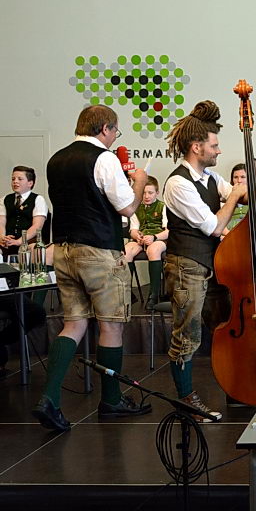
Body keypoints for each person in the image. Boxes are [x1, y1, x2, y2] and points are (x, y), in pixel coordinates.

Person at [31, 104, 149, 432]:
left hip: (64, 250)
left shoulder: (56, 159)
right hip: (98, 251)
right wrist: (139, 182)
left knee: (73, 323)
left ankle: (49, 398)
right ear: (105, 128)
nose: (114, 137)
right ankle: (111, 400)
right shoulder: (104, 158)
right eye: (115, 131)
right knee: (111, 326)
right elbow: (127, 208)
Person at [162, 100, 256, 421]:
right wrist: (237, 194)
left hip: (212, 266)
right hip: (186, 266)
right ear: (196, 147)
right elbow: (214, 226)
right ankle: (186, 400)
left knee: (223, 328)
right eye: (214, 146)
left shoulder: (211, 178)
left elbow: (239, 194)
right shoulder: (178, 183)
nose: (218, 150)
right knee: (187, 335)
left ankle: (235, 387)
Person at [124, 175, 168, 309]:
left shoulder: (162, 207)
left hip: (159, 238)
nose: (146, 196)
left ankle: (153, 295)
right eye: (143, 193)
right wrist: (137, 236)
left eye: (150, 193)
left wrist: (154, 237)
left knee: (153, 250)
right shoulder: (136, 207)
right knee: (126, 251)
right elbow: (133, 229)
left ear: (157, 193)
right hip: (142, 238)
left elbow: (168, 231)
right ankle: (127, 292)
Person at [0, 166, 49, 258]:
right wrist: (2, 238)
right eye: (13, 179)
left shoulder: (38, 199)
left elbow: (37, 226)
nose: (15, 182)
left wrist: (19, 241)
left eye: (20, 179)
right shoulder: (5, 199)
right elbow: (1, 222)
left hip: (29, 242)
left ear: (30, 183)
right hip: (7, 242)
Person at [223, 163, 249, 234]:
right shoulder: (224, 196)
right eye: (235, 177)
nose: (239, 180)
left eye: (243, 177)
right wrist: (230, 235)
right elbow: (219, 222)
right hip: (227, 234)